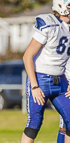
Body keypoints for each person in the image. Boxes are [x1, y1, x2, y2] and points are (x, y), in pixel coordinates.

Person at [21, 0, 70, 142]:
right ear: (60, 6)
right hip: (41, 79)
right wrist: (34, 85)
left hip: (61, 80)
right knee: (34, 124)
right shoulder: (49, 23)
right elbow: (27, 56)